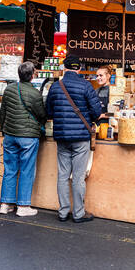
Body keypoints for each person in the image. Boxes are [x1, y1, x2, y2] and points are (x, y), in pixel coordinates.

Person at [46, 55, 103, 223]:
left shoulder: (56, 87)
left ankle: (63, 211)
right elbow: (96, 112)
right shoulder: (86, 86)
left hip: (62, 136)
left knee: (63, 175)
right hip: (80, 137)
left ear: (64, 68)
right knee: (78, 177)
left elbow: (48, 111)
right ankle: (78, 213)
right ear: (78, 68)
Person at [0, 61, 47, 217]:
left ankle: (5, 204)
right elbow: (42, 115)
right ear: (32, 75)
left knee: (10, 169)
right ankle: (23, 206)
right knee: (26, 170)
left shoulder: (9, 89)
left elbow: (3, 112)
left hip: (10, 135)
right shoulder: (35, 93)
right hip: (27, 137)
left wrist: (3, 130)